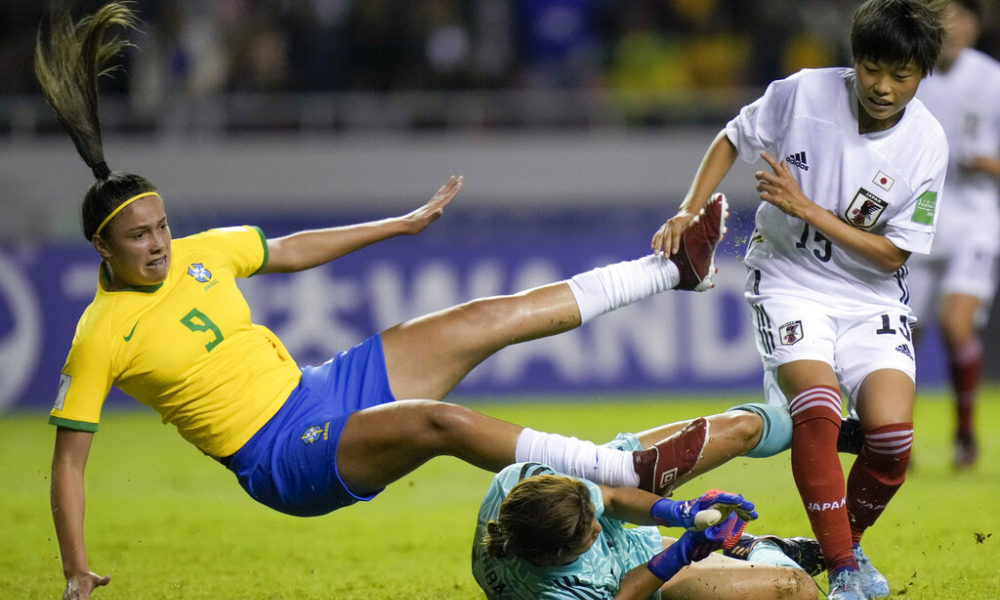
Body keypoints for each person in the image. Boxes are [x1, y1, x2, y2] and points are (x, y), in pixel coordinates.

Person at [36, 4, 733, 599]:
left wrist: (396, 224)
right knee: (438, 425)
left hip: (321, 389)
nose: (159, 243)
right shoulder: (101, 333)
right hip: (282, 452)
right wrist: (74, 567)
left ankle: (673, 272)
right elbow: (69, 462)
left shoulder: (199, 250)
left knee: (481, 319)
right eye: (140, 236)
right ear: (104, 248)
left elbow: (292, 249)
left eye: (161, 225)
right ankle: (618, 471)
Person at [649, 1, 949, 599]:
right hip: (788, 281)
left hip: (869, 295)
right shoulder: (802, 94)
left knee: (892, 442)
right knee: (816, 408)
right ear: (854, 61)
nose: (883, 87)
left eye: (901, 75)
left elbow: (893, 255)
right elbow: (732, 137)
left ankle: (840, 547)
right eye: (871, 69)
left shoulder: (926, 145)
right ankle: (843, 574)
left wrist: (808, 209)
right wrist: (689, 208)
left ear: (922, 74)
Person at [471, 417, 824, 600]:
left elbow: (610, 498)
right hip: (633, 581)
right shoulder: (559, 593)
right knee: (797, 588)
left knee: (735, 430)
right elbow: (626, 594)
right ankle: (764, 549)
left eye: (591, 514)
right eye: (589, 534)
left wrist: (683, 512)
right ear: (554, 557)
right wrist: (683, 551)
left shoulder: (517, 483)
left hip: (632, 553)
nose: (598, 525)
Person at [908, 0, 1000, 468]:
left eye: (959, 16)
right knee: (904, 333)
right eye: (941, 17)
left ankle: (965, 435)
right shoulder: (908, 72)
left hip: (974, 220)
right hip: (917, 218)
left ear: (974, 23)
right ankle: (895, 439)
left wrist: (988, 164)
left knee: (954, 323)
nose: (951, 26)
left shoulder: (992, 79)